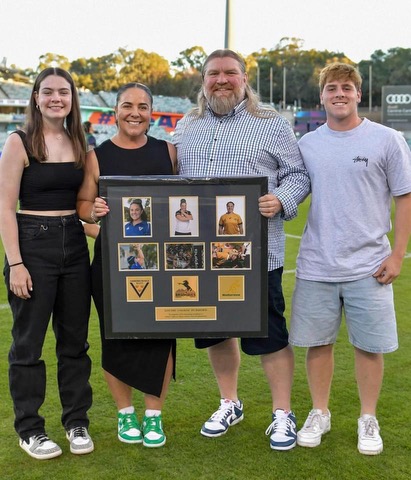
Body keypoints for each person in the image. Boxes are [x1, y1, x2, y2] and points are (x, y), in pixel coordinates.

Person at [173, 49, 310, 450]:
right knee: (215, 331)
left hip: (256, 253)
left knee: (269, 334)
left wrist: (281, 199)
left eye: (230, 73)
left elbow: (298, 174)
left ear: (244, 77)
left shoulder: (271, 123)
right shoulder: (186, 126)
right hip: (199, 255)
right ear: (203, 79)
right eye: (213, 73)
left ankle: (282, 412)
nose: (222, 80)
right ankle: (229, 402)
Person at [289, 63, 411, 456]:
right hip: (316, 264)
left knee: (367, 346)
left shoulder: (387, 139)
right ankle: (319, 412)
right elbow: (292, 190)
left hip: (370, 266)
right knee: (317, 344)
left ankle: (367, 418)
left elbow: (404, 197)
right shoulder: (307, 144)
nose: (338, 93)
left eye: (346, 87)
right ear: (321, 96)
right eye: (331, 88)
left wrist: (397, 254)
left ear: (359, 94)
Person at [0, 67, 94, 460]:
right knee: (29, 345)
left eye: (64, 92)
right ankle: (30, 429)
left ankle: (76, 422)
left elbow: (85, 208)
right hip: (31, 247)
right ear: (36, 97)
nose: (57, 98)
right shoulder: (19, 142)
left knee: (74, 343)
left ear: (72, 98)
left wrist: (104, 231)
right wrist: (16, 263)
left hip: (73, 244)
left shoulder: (81, 142)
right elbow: (5, 207)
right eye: (49, 92)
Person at [77, 82, 177, 448]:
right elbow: (83, 207)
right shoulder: (97, 156)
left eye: (143, 106)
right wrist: (96, 214)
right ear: (116, 110)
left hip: (161, 264)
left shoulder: (168, 151)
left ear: (152, 111)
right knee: (115, 337)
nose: (135, 112)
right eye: (127, 105)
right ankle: (125, 414)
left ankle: (154, 416)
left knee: (162, 337)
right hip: (112, 266)